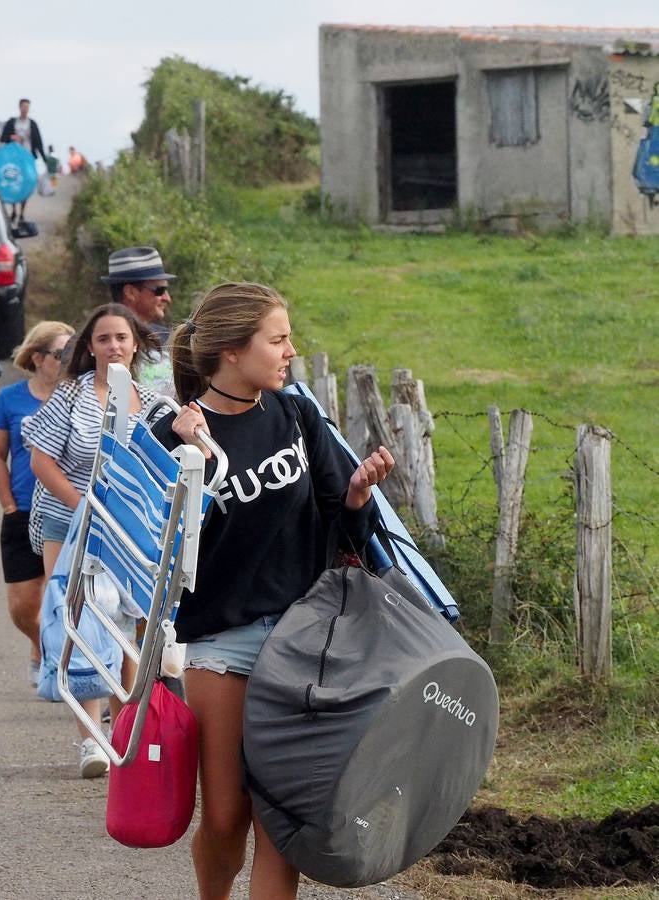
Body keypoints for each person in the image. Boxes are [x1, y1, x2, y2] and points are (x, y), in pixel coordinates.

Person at [152, 282, 394, 900]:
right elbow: (152, 551)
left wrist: (359, 496)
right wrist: (187, 459)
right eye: (278, 339)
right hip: (222, 642)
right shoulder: (172, 437)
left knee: (277, 824)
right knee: (228, 817)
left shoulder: (296, 414)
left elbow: (344, 520)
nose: (291, 351)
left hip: (303, 642)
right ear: (233, 350)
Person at [23, 303, 161, 779]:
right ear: (90, 347)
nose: (113, 346)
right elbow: (42, 460)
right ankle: (89, 739)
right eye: (103, 339)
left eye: (121, 337)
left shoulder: (149, 400)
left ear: (135, 342)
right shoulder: (69, 396)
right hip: (68, 519)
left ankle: (125, 730)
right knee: (77, 618)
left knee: (125, 625)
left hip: (126, 527)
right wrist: (83, 503)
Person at [0, 321, 74, 688]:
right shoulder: (10, 399)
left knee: (71, 599)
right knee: (23, 607)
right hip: (23, 511)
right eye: (60, 354)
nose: (68, 361)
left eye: (73, 353)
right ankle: (42, 646)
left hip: (67, 511)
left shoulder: (82, 396)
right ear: (38, 358)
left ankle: (71, 668)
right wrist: (7, 504)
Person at [102, 246, 176, 398]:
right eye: (159, 290)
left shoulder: (167, 337)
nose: (167, 298)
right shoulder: (89, 342)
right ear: (131, 292)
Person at [0, 99, 46, 224]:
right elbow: (3, 138)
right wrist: (12, 137)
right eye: (23, 106)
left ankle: (22, 212)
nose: (25, 109)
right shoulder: (12, 122)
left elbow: (39, 142)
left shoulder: (32, 124)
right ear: (19, 108)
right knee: (14, 183)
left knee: (26, 184)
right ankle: (14, 209)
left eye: (27, 107)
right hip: (14, 157)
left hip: (28, 157)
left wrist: (44, 159)